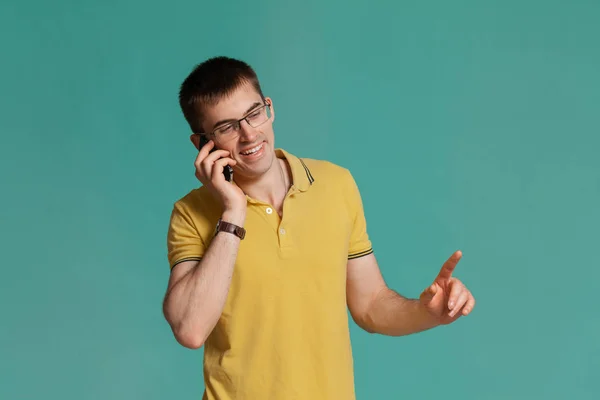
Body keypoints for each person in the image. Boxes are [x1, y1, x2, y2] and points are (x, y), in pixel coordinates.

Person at [163, 56, 476, 400]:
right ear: (202, 144)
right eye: (226, 127)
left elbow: (370, 304)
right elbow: (190, 330)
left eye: (254, 113)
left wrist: (426, 312)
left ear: (269, 108)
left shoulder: (335, 185)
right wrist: (233, 211)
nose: (249, 133)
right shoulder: (191, 214)